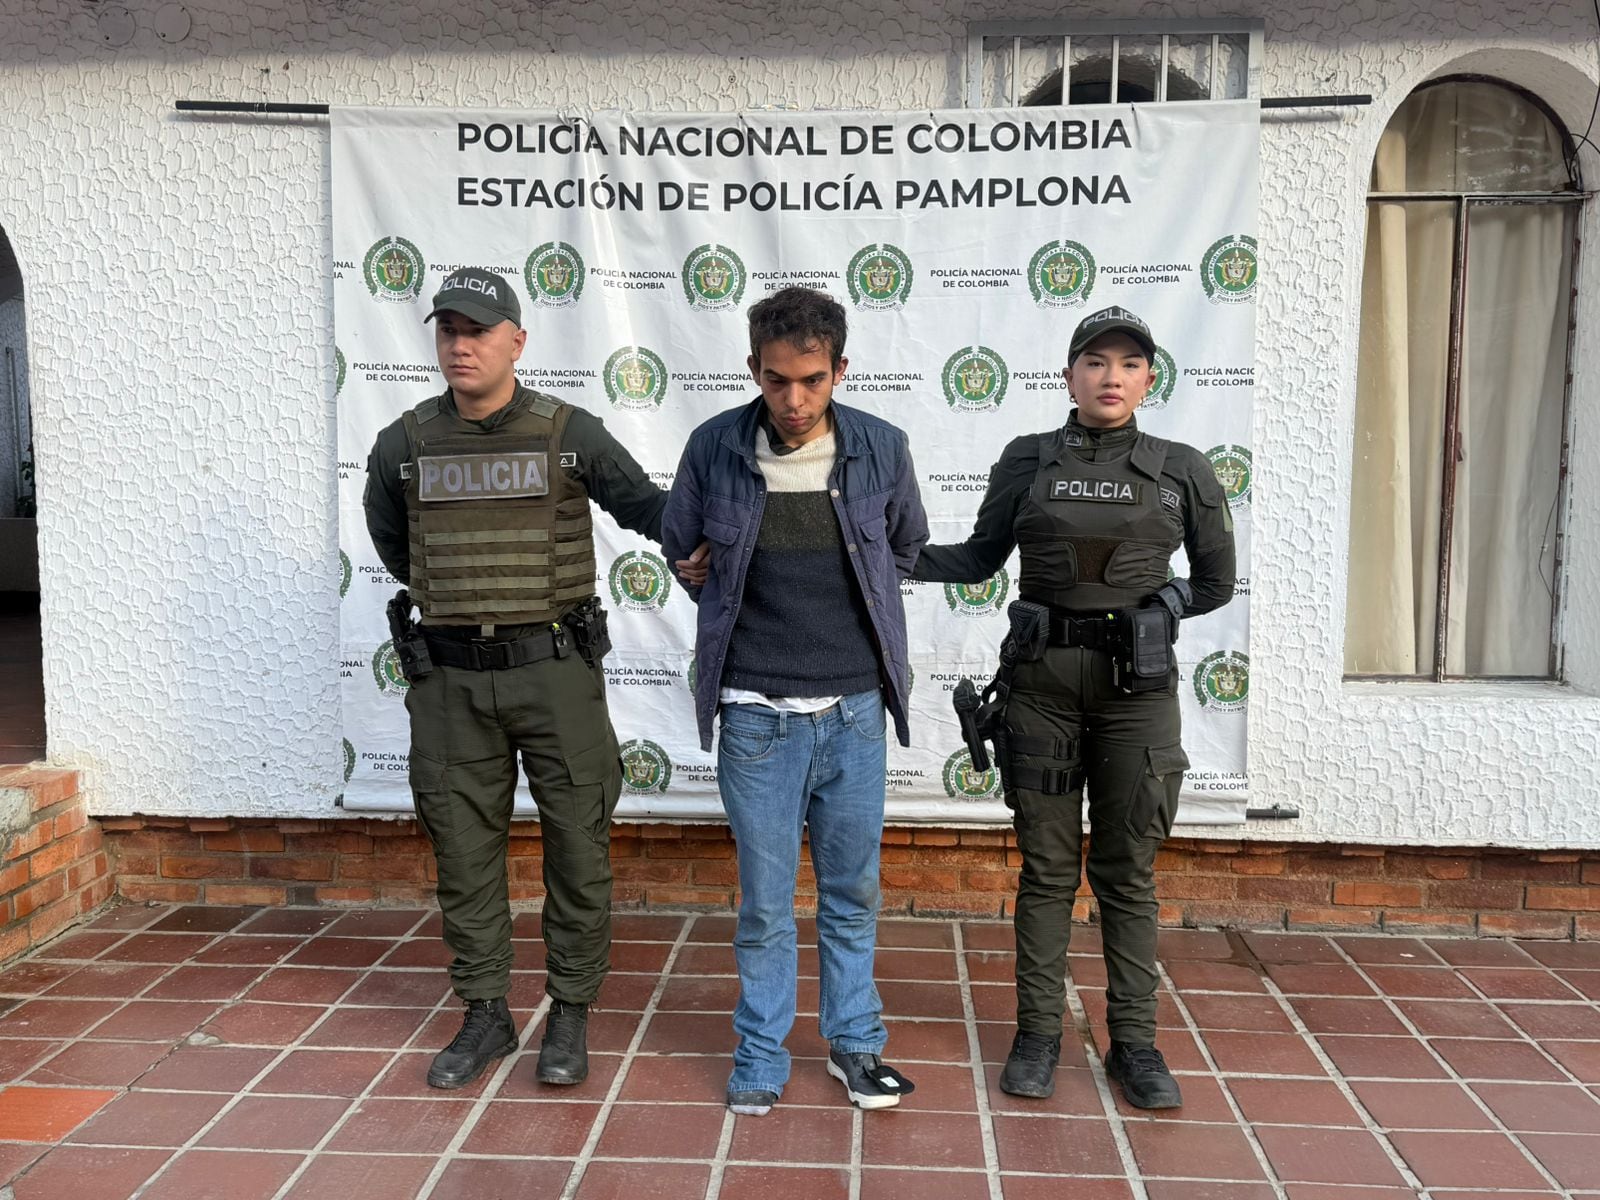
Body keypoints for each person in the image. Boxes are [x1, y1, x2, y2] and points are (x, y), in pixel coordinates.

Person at [363, 266, 705, 1090]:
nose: (461, 345)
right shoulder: (404, 444)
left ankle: (571, 1013)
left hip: (553, 671)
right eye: (448, 330)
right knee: (463, 852)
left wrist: (706, 541)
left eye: (478, 331)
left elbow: (649, 509)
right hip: (450, 681)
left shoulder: (569, 433)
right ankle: (485, 1012)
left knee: (578, 847)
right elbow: (396, 545)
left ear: (517, 340)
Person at [913, 305, 1235, 1109]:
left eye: (1128, 363)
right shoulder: (1027, 459)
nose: (1110, 377)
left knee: (1127, 872)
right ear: (1069, 375)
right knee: (1049, 870)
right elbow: (979, 559)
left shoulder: (1183, 469)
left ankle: (1136, 1045)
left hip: (1138, 696)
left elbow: (1216, 582)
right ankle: (1037, 1035)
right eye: (1095, 361)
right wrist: (878, 551)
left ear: (1150, 378)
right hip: (1042, 689)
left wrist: (1166, 602)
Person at [662, 286, 929, 1116]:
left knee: (853, 896)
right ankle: (759, 1055)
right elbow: (681, 548)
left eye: (812, 380)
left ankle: (856, 1047)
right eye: (776, 380)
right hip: (756, 716)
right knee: (766, 908)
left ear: (840, 370)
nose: (794, 400)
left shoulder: (881, 447)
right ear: (754, 369)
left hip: (853, 716)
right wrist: (699, 569)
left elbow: (906, 547)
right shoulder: (714, 447)